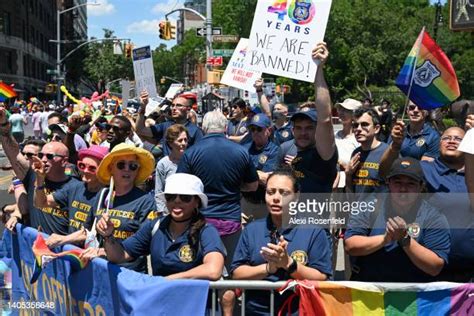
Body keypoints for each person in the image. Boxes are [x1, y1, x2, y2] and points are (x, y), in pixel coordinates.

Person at [177, 110, 258, 315]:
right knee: (230, 275)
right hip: (231, 220)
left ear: (204, 128)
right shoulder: (240, 152)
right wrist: (234, 188)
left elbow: (181, 187)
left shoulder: (191, 152)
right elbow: (253, 185)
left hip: (200, 222)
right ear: (225, 128)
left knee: (198, 270)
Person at [380, 122, 474, 281]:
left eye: (458, 139)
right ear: (439, 144)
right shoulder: (425, 169)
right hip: (429, 267)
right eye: (446, 138)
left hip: (469, 270)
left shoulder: (471, 177)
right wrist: (395, 146)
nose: (451, 141)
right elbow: (385, 172)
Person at [231, 169, 332, 314]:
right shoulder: (251, 230)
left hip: (299, 310)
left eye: (284, 193)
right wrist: (268, 268)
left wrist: (288, 264)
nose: (276, 198)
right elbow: (237, 273)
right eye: (270, 192)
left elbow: (322, 277)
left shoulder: (314, 232)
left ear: (296, 196)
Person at [94, 173, 225, 281]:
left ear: (197, 202)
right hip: (160, 304)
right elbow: (120, 256)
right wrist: (108, 236)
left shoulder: (206, 231)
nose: (177, 201)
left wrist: (168, 280)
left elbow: (213, 270)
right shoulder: (155, 226)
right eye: (171, 196)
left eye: (185, 197)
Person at [344, 157, 450, 282]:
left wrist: (405, 240)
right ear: (388, 183)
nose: (403, 189)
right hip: (371, 291)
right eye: (397, 182)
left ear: (421, 186)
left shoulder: (433, 217)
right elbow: (350, 245)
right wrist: (385, 239)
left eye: (411, 184)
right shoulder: (370, 205)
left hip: (412, 295)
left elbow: (435, 267)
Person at [81, 143, 157, 272]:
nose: (127, 169)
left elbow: (146, 243)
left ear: (137, 171)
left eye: (133, 166)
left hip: (128, 274)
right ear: (111, 168)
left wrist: (103, 250)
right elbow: (87, 232)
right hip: (100, 269)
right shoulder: (102, 195)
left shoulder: (146, 202)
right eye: (121, 165)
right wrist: (61, 239)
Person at [277, 42, 338, 194]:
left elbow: (325, 118)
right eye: (299, 128)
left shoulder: (324, 152)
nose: (303, 132)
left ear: (318, 131)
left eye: (309, 128)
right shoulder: (287, 150)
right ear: (292, 130)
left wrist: (319, 69)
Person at [33, 146, 109, 248]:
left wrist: (63, 239)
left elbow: (94, 231)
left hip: (92, 257)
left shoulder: (107, 195)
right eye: (82, 166)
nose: (85, 171)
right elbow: (41, 203)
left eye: (92, 168)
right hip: (72, 252)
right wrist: (40, 179)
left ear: (103, 171)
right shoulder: (75, 187)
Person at [31, 142, 81, 235]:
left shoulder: (76, 188)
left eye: (49, 156)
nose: (43, 160)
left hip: (62, 246)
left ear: (64, 161)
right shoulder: (37, 176)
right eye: (41, 155)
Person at [136, 91, 203, 155]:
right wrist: (142, 108)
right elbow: (140, 130)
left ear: (188, 109)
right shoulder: (165, 126)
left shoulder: (196, 131)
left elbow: (200, 153)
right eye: (173, 105)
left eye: (179, 105)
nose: (174, 108)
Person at [241, 113, 280, 220]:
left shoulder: (275, 151)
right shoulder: (244, 149)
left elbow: (267, 179)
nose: (255, 132)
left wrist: (246, 173)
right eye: (252, 129)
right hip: (245, 202)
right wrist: (256, 174)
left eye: (259, 129)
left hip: (264, 205)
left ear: (269, 131)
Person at [345, 108, 389, 194]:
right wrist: (348, 175)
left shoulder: (388, 152)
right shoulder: (356, 153)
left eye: (364, 124)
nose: (358, 129)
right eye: (355, 125)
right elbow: (350, 195)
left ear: (376, 128)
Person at [155, 124, 189, 213]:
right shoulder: (163, 164)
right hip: (169, 212)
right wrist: (162, 213)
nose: (183, 143)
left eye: (185, 140)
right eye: (180, 140)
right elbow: (159, 191)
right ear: (170, 143)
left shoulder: (191, 161)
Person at [333, 98, 361, 189]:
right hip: (333, 185)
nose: (341, 112)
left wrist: (344, 166)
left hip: (352, 186)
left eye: (346, 110)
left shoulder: (359, 139)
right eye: (340, 109)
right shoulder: (333, 135)